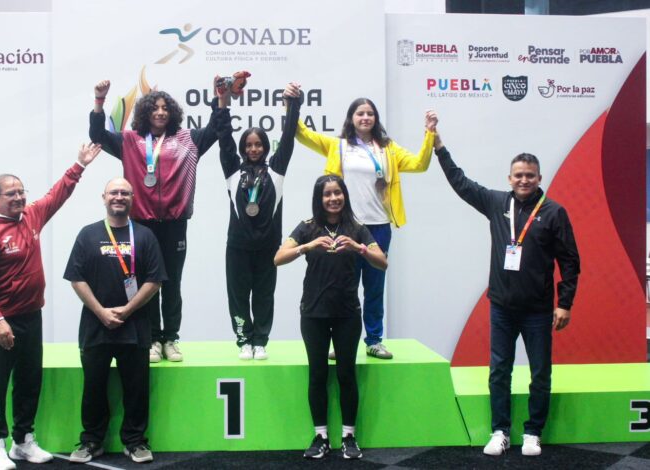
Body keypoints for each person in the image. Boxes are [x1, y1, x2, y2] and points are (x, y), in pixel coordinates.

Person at [433, 135, 580, 457]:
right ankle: (500, 430)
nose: (524, 180)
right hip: (502, 307)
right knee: (500, 370)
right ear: (509, 178)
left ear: (539, 178)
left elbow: (570, 261)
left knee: (540, 372)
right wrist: (440, 149)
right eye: (518, 175)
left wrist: (565, 303)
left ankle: (533, 432)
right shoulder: (497, 203)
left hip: (538, 310)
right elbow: (461, 184)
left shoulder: (554, 212)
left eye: (530, 175)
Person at [0, 143, 102, 470]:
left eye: (21, 192)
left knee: (30, 382)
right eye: (10, 194)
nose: (18, 197)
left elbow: (57, 195)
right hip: (3, 322)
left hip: (32, 317)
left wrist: (79, 165)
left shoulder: (31, 216)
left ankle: (23, 440)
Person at [90, 80, 226, 363]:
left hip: (175, 224)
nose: (161, 112)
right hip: (142, 225)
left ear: (172, 112)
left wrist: (221, 99)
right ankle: (152, 338)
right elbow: (97, 135)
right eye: (155, 108)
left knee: (172, 283)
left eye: (165, 108)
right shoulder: (129, 141)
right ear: (145, 112)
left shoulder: (188, 140)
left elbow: (217, 128)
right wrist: (99, 101)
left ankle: (171, 339)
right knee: (146, 283)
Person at [295, 99, 438, 359]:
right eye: (360, 113)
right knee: (341, 286)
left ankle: (374, 340)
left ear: (376, 118)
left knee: (374, 286)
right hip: (345, 226)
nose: (365, 117)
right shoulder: (338, 145)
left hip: (378, 226)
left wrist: (429, 133)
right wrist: (291, 104)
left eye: (370, 113)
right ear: (351, 117)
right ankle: (340, 342)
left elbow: (420, 164)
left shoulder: (388, 149)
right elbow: (302, 134)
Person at [274, 175, 387, 460]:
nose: (333, 198)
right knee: (318, 374)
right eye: (327, 194)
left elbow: (382, 262)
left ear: (344, 195)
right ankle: (321, 436)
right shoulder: (308, 227)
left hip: (347, 313)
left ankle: (349, 436)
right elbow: (278, 257)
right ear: (319, 198)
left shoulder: (357, 228)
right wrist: (307, 246)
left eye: (338, 193)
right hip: (314, 313)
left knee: (346, 373)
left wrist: (359, 248)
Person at [64, 178, 166, 464]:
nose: (119, 197)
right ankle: (92, 441)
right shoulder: (88, 234)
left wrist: (127, 310)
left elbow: (155, 280)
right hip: (96, 326)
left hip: (135, 327)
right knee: (93, 387)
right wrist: (101, 312)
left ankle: (135, 442)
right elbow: (76, 278)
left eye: (124, 193)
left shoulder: (145, 236)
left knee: (136, 389)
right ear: (104, 197)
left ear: (132, 198)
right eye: (114, 192)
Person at [217, 81, 302, 360]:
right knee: (238, 296)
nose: (253, 149)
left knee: (265, 295)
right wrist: (223, 103)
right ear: (243, 148)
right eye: (249, 145)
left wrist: (293, 104)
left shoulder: (276, 170)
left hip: (267, 247)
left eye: (258, 145)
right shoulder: (233, 171)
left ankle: (260, 341)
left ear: (265, 147)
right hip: (238, 247)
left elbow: (288, 137)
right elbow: (224, 138)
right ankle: (244, 340)